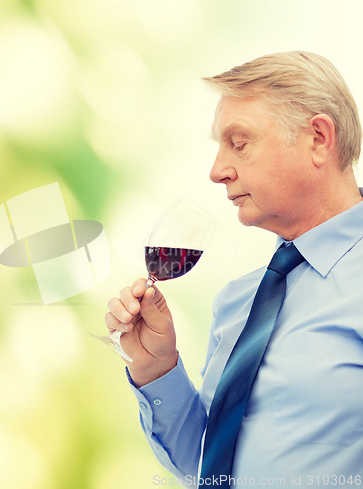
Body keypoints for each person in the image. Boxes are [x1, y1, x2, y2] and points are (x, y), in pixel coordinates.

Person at [105, 51, 363, 488]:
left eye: (239, 143)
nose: (216, 171)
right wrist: (157, 369)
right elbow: (207, 469)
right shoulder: (238, 303)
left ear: (318, 139)